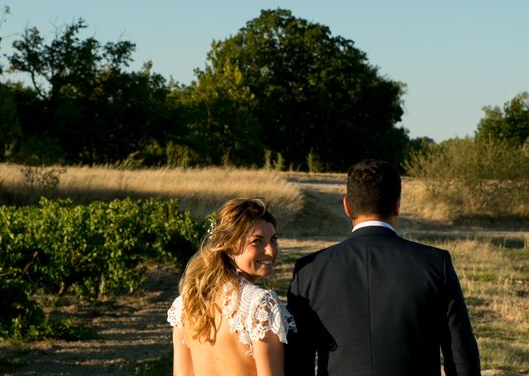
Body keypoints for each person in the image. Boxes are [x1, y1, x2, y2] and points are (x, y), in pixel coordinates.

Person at [285, 159, 481, 376]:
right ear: (397, 205)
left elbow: (297, 361)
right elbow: (461, 355)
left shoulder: (309, 271)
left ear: (347, 206)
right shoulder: (435, 263)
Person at [167, 198, 296, 376]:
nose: (271, 250)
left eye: (273, 239)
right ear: (229, 247)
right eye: (257, 241)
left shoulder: (186, 302)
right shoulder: (260, 304)